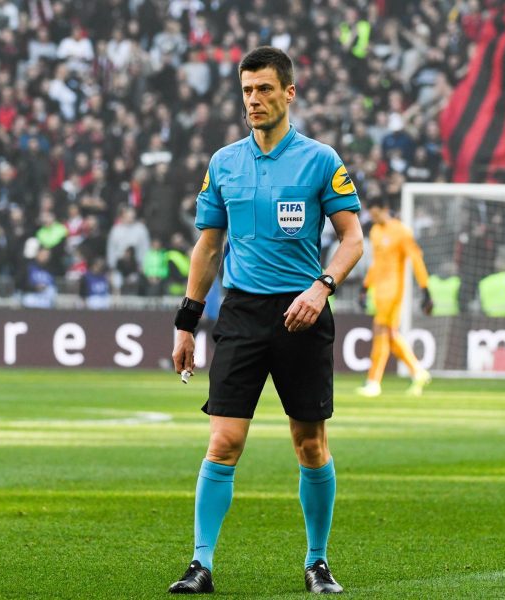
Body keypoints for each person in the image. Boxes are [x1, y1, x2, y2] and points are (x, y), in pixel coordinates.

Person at [169, 47, 363, 595]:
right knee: (224, 441)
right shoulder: (224, 162)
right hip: (242, 314)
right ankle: (200, 564)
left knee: (309, 444)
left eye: (264, 90)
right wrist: (186, 322)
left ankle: (318, 561)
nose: (253, 100)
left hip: (302, 312)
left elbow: (353, 239)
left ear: (289, 93)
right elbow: (208, 248)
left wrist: (322, 287)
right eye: (247, 90)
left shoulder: (321, 160)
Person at [355, 198, 433, 398]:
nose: (374, 219)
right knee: (390, 334)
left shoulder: (401, 231)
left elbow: (416, 259)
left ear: (385, 209)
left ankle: (373, 381)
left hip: (394, 291)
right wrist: (365, 287)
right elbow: (375, 264)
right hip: (378, 291)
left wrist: (425, 289)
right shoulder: (375, 232)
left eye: (376, 214)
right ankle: (418, 371)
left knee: (380, 329)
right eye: (371, 216)